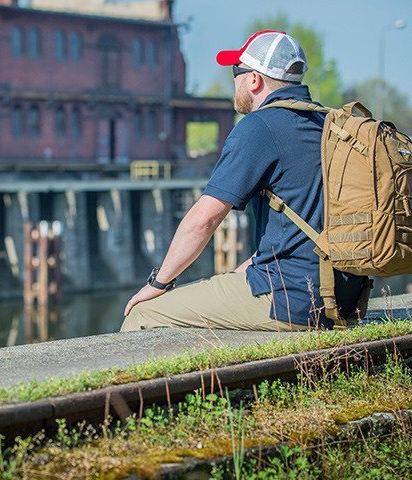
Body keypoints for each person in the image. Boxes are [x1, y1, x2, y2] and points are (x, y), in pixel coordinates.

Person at [120, 30, 365, 332]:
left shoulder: (259, 126)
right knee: (226, 285)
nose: (233, 81)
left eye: (236, 72)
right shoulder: (327, 124)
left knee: (144, 315)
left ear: (254, 80)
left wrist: (159, 283)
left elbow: (204, 220)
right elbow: (299, 228)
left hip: (292, 301)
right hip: (343, 298)